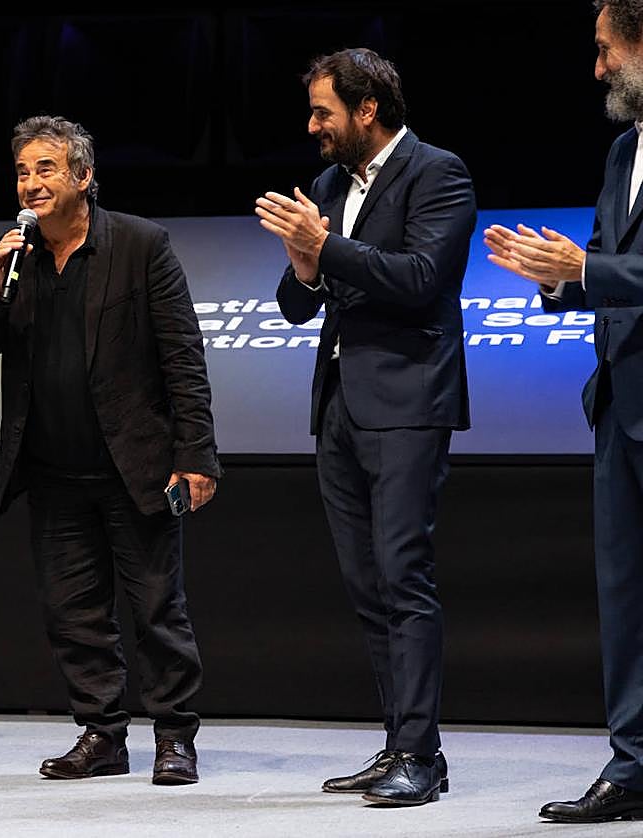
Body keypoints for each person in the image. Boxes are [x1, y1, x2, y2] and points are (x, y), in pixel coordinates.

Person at [0, 115, 220, 785]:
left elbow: (183, 356)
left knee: (158, 607)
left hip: (136, 465)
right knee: (73, 611)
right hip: (51, 470)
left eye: (46, 169)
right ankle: (101, 734)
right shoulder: (14, 254)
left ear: (84, 176)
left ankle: (174, 736)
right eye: (22, 171)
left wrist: (196, 454)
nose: (32, 182)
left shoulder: (140, 245)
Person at [256, 48, 475, 806]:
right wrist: (305, 261)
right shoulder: (326, 186)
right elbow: (296, 301)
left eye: (324, 112)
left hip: (409, 402)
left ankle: (422, 752)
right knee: (367, 584)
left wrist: (327, 249)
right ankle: (398, 747)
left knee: (404, 576)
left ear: (367, 110)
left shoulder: (438, 173)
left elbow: (421, 280)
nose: (313, 125)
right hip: (339, 407)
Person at [484, 1, 643, 823]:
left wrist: (592, 268)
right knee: (625, 596)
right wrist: (556, 279)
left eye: (605, 49)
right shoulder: (624, 150)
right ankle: (633, 765)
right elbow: (611, 268)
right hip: (621, 404)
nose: (596, 67)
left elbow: (619, 268)